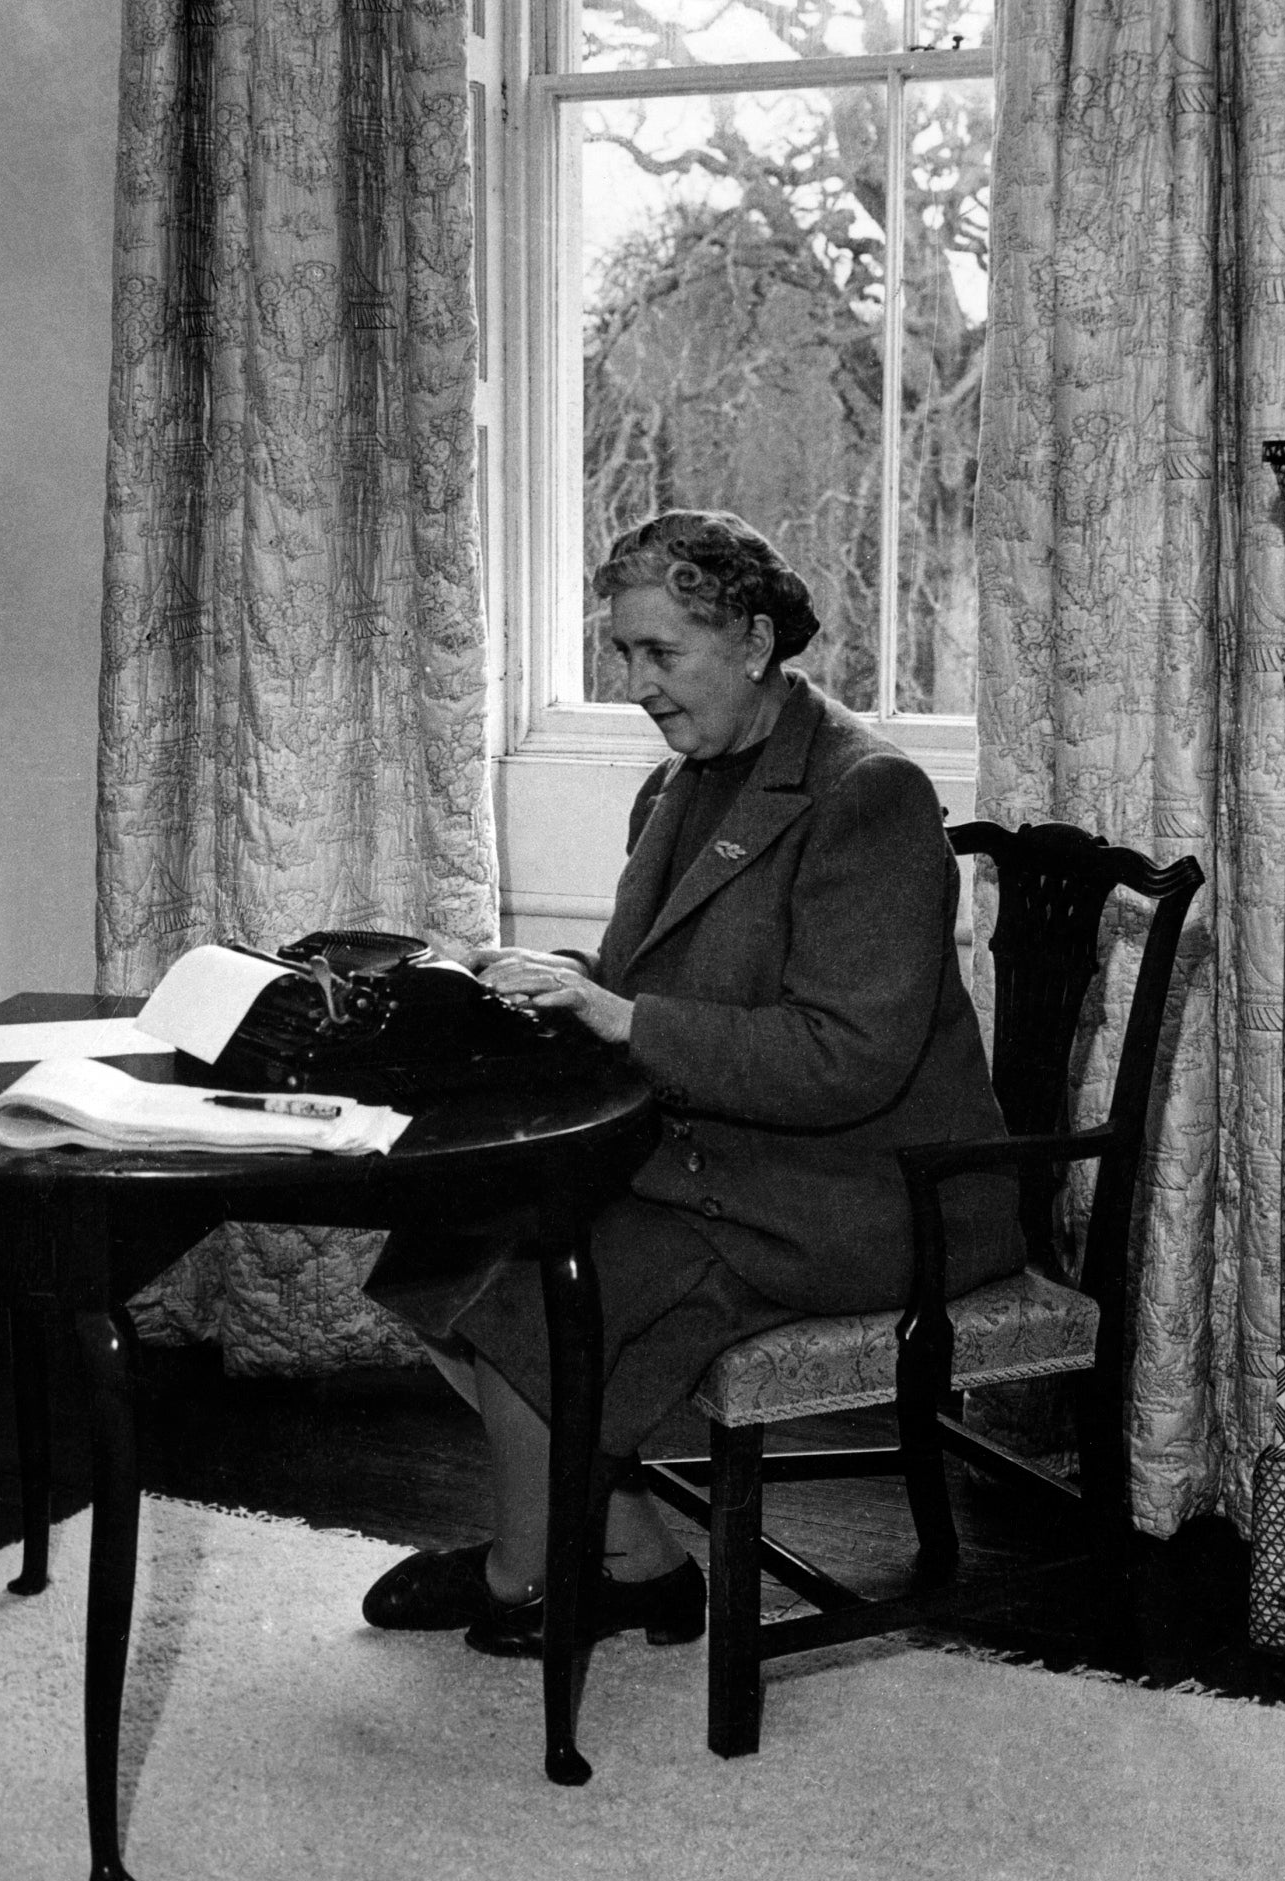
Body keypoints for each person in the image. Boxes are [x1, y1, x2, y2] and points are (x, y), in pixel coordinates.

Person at [359, 509, 1025, 1653]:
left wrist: (617, 1014)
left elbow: (845, 1059)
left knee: (530, 1286)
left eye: (659, 653)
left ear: (756, 640)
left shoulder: (866, 796)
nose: (635, 685)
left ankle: (529, 1574)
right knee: (436, 1247)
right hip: (726, 1162)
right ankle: (634, 1558)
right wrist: (525, 979)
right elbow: (647, 984)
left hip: (854, 1193)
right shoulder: (680, 785)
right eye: (623, 654)